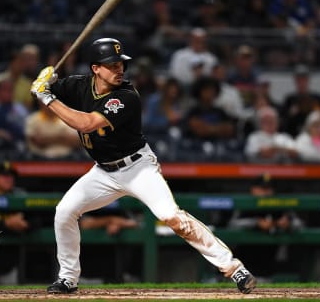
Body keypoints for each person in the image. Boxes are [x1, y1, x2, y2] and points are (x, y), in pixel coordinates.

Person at [30, 37, 256, 294]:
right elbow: (46, 90)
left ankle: (234, 268)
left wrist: (46, 97)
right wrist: (44, 80)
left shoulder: (126, 96)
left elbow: (86, 124)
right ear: (95, 68)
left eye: (120, 64)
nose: (119, 69)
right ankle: (68, 278)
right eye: (112, 65)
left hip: (138, 168)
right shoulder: (79, 85)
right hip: (103, 171)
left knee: (171, 216)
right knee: (64, 212)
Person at [0, 161, 47, 285]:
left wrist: (25, 225)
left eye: (11, 176)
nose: (9, 179)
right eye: (4, 175)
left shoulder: (20, 196)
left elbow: (37, 220)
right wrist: (5, 224)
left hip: (9, 267)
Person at [281, 64, 320, 137]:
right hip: (295, 136)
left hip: (316, 136)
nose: (301, 83)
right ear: (295, 81)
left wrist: (319, 112)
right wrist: (290, 114)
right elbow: (282, 122)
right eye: (299, 80)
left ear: (308, 80)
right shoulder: (289, 100)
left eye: (304, 79)